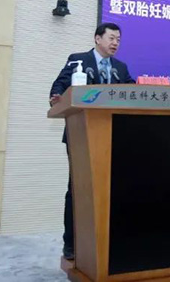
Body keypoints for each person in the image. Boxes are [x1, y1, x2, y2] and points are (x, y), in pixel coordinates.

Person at [49, 22, 134, 260]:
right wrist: (56, 97)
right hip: (81, 134)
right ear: (97, 38)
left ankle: (110, 241)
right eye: (111, 38)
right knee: (78, 188)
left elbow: (132, 91)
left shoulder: (121, 68)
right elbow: (59, 85)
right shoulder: (78, 60)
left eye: (118, 39)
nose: (115, 43)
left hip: (114, 135)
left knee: (114, 188)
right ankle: (72, 244)